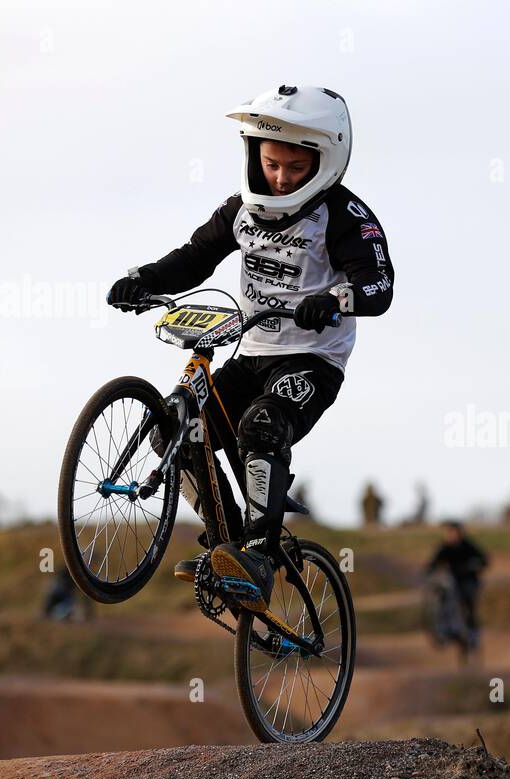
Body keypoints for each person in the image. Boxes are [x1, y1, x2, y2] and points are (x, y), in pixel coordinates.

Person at [105, 85, 394, 616]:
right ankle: (229, 542)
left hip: (312, 363)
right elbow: (194, 258)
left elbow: (379, 286)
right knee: (171, 429)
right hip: (251, 355)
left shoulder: (345, 215)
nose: (280, 177)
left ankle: (259, 558)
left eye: (295, 167)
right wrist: (141, 278)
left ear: (325, 162)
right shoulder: (241, 209)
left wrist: (334, 298)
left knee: (261, 426)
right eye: (270, 163)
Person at [424, 521, 489, 651]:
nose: (451, 535)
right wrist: (429, 570)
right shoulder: (445, 547)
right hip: (452, 582)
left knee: (468, 604)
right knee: (442, 600)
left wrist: (473, 567)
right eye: (449, 532)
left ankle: (473, 636)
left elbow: (484, 560)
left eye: (453, 532)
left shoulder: (468, 546)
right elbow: (434, 562)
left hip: (468, 581)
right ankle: (444, 630)